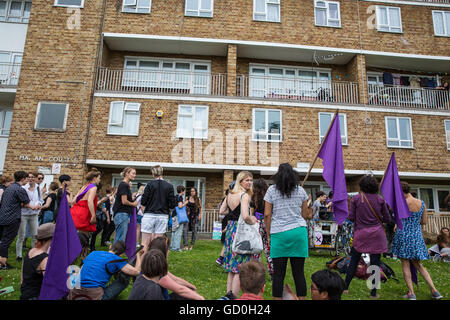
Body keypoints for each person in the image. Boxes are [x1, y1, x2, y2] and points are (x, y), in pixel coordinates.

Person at [263, 163, 313, 300]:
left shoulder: (271, 190)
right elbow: (305, 215)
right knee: (299, 272)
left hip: (279, 233)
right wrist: (309, 204)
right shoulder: (301, 191)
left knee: (278, 274)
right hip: (298, 232)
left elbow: (267, 214)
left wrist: (268, 234)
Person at [391, 181, 443, 300]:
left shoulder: (402, 203)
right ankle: (434, 290)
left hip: (403, 235)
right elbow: (424, 222)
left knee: (405, 263)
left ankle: (411, 293)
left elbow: (397, 219)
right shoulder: (422, 203)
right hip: (416, 236)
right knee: (418, 264)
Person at [344, 175, 391, 299]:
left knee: (354, 261)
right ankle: (373, 293)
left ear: (362, 186)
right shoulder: (380, 200)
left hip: (361, 234)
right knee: (375, 264)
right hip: (377, 234)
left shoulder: (356, 199)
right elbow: (387, 218)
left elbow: (351, 217)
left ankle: (345, 288)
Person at [219, 170, 260, 298]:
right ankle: (234, 297)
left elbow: (222, 211)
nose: (249, 182)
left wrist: (232, 214)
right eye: (246, 180)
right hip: (240, 230)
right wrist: (253, 220)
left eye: (250, 180)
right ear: (240, 181)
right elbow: (245, 216)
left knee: (232, 264)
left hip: (231, 228)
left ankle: (228, 295)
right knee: (239, 266)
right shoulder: (244, 196)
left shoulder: (230, 194)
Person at [70, 241, 143, 300]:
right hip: (94, 295)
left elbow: (80, 269)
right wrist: (138, 256)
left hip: (76, 292)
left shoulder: (93, 253)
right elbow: (136, 271)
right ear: (121, 255)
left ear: (110, 247)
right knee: (124, 278)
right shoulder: (117, 259)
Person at [0, 171, 35, 269]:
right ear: (23, 179)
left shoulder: (8, 188)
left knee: (3, 240)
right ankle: (2, 263)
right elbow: (27, 203)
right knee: (6, 241)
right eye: (27, 178)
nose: (27, 180)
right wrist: (35, 207)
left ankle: (2, 261)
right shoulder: (19, 189)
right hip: (12, 218)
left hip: (2, 217)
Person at [140, 165, 176, 250]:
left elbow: (143, 201)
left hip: (149, 214)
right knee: (158, 243)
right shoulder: (169, 186)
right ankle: (155, 262)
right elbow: (172, 204)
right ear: (162, 172)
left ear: (153, 173)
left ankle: (141, 262)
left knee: (144, 243)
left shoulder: (149, 185)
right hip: (162, 215)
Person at [19, 223, 55, 300]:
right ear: (52, 238)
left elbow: (22, 279)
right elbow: (51, 286)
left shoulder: (30, 251)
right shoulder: (44, 259)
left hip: (25, 295)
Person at [16, 172, 42, 262]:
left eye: (32, 177)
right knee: (21, 235)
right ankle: (18, 255)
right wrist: (31, 206)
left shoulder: (38, 188)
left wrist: (39, 204)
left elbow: (40, 199)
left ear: (35, 178)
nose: (31, 179)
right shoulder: (23, 188)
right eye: (29, 177)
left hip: (34, 214)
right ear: (27, 178)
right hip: (24, 214)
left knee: (35, 235)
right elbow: (20, 202)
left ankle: (33, 254)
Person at [250, 178, 273, 277]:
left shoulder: (253, 198)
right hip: (268, 223)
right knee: (268, 249)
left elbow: (251, 213)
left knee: (256, 249)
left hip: (257, 224)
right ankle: (272, 271)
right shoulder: (269, 196)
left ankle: (255, 271)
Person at [71, 169, 101, 236]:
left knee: (74, 237)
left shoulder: (84, 186)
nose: (100, 180)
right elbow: (90, 201)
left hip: (75, 211)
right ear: (94, 178)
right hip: (85, 213)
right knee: (84, 238)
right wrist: (93, 215)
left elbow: (73, 201)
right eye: (99, 178)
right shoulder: (93, 187)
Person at [112, 167, 139, 244]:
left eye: (135, 174)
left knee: (120, 237)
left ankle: (115, 254)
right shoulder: (124, 185)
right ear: (127, 173)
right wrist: (133, 204)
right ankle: (115, 254)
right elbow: (124, 201)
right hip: (121, 213)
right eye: (133, 173)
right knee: (120, 238)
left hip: (122, 213)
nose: (135, 175)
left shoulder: (125, 185)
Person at [170, 185, 187, 252]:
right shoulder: (180, 197)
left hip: (174, 215)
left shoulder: (175, 197)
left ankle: (172, 246)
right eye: (184, 190)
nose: (184, 192)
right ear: (182, 191)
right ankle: (176, 247)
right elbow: (180, 206)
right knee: (178, 232)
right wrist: (185, 203)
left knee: (174, 231)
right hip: (178, 216)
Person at [135, 183, 145, 247]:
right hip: (140, 214)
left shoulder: (137, 195)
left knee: (137, 229)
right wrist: (145, 213)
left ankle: (136, 241)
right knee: (139, 229)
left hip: (136, 213)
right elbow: (141, 206)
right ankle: (137, 242)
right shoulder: (141, 196)